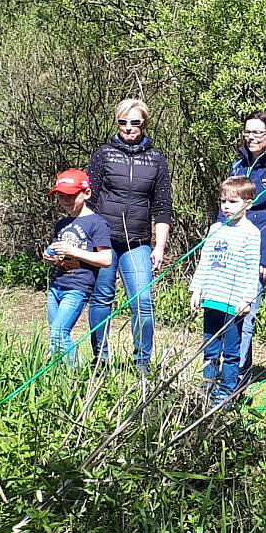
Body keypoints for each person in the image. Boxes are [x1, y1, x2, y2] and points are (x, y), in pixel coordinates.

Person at [86, 98, 174, 374]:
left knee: (143, 301)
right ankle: (100, 359)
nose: (128, 128)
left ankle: (142, 362)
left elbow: (162, 206)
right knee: (102, 300)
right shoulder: (104, 155)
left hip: (138, 243)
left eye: (134, 122)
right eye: (122, 122)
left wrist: (159, 246)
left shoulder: (157, 159)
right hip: (104, 241)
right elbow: (89, 198)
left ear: (145, 124)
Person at [189, 177, 265, 406]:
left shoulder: (251, 233)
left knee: (230, 352)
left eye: (232, 201)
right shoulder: (215, 229)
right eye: (223, 201)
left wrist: (246, 299)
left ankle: (226, 394)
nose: (226, 206)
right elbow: (204, 261)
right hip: (212, 297)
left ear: (248, 204)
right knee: (210, 347)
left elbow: (252, 269)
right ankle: (208, 387)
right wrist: (196, 290)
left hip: (233, 303)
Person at [228, 111, 266, 376]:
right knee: (228, 309)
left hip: (258, 248)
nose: (251, 137)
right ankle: (228, 366)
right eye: (247, 132)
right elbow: (226, 206)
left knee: (247, 312)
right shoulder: (238, 165)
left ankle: (239, 374)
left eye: (257, 132)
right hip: (231, 247)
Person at [42, 169, 114, 365]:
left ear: (87, 193)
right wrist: (52, 258)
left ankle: (78, 376)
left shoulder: (97, 223)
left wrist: (74, 251)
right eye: (61, 196)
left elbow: (106, 259)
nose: (65, 201)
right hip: (57, 285)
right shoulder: (62, 224)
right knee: (54, 336)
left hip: (77, 288)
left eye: (71, 196)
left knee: (59, 333)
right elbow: (62, 255)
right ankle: (58, 377)